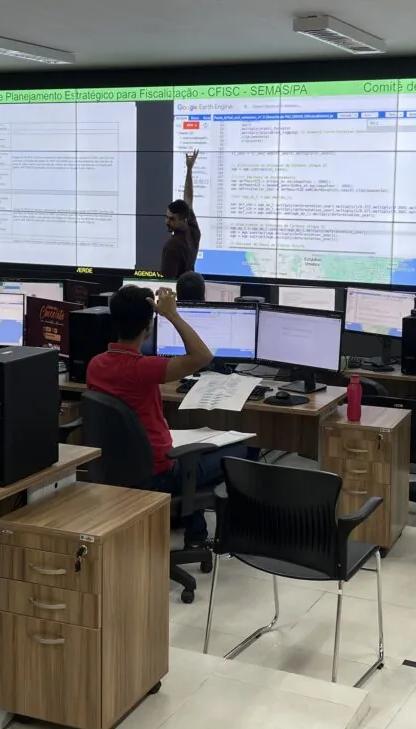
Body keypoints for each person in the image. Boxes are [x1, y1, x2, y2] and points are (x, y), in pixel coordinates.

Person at [86, 285, 252, 546]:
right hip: (158, 472)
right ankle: (218, 535)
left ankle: (195, 532)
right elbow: (203, 356)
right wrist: (172, 314)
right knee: (243, 451)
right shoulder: (144, 368)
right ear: (149, 327)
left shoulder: (95, 365)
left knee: (191, 455)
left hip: (117, 468)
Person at [161, 150, 201, 279]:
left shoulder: (172, 247)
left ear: (184, 220)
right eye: (166, 217)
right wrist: (189, 169)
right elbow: (188, 199)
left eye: (172, 219)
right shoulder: (194, 231)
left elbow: (168, 283)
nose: (167, 222)